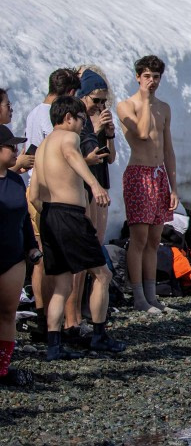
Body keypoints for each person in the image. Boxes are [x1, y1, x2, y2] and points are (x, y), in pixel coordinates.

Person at [30, 96, 125, 359]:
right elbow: (73, 154)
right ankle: (99, 335)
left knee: (62, 285)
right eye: (81, 119)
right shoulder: (68, 138)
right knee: (103, 275)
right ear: (69, 117)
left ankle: (54, 346)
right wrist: (94, 185)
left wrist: (49, 215)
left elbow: (34, 194)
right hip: (70, 214)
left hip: (49, 214)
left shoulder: (42, 147)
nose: (82, 124)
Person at [117, 55, 178, 314]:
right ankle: (139, 296)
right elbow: (141, 133)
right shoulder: (126, 105)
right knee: (138, 237)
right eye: (147, 77)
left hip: (158, 174)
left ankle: (152, 295)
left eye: (155, 77)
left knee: (155, 239)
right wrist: (143, 99)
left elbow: (167, 148)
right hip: (138, 172)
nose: (151, 82)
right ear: (138, 77)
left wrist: (173, 186)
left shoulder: (163, 108)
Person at [23, 68, 82, 339]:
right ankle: (53, 318)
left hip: (35, 189)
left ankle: (42, 313)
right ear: (70, 93)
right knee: (52, 260)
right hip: (51, 193)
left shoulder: (34, 112)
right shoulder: (54, 117)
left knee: (41, 257)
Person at [64, 69, 114, 341]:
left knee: (92, 252)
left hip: (98, 186)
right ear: (82, 97)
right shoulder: (75, 123)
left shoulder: (92, 120)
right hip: (84, 190)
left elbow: (109, 158)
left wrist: (109, 134)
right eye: (96, 100)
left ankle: (80, 314)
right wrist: (94, 130)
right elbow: (78, 156)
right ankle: (72, 319)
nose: (100, 106)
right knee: (82, 258)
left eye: (104, 101)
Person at [0, 119, 39, 385]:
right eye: (9, 147)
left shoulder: (15, 179)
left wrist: (32, 248)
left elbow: (24, 218)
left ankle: (2, 369)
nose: (16, 152)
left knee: (7, 313)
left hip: (13, 257)